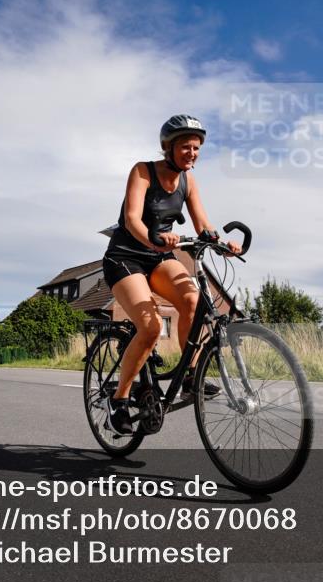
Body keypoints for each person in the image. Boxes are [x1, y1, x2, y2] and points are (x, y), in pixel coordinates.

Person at [101, 115, 242, 435]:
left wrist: (223, 245)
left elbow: (203, 226)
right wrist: (154, 238)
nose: (192, 153)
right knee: (151, 326)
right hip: (125, 257)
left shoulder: (188, 182)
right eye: (186, 147)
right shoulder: (142, 171)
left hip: (159, 257)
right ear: (169, 147)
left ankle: (191, 377)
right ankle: (118, 401)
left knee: (193, 300)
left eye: (197, 148)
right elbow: (132, 219)